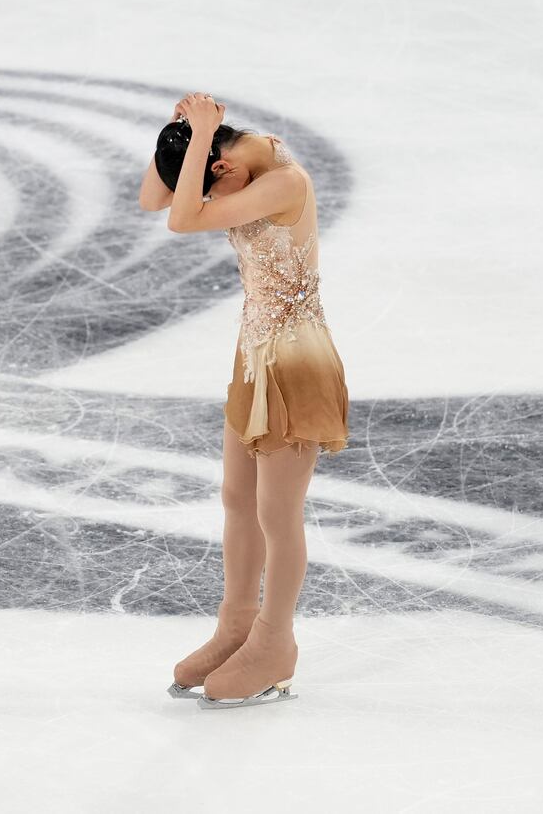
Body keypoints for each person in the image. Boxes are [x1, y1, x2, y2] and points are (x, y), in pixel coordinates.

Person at [138, 92, 350, 709]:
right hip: (254, 352)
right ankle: (235, 628)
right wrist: (185, 131)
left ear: (223, 168)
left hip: (295, 360)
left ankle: (274, 643)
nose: (210, 203)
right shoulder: (234, 165)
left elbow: (180, 219)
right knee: (237, 499)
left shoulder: (284, 181)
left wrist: (200, 140)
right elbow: (157, 198)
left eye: (209, 185)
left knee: (276, 511)